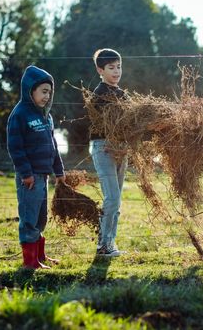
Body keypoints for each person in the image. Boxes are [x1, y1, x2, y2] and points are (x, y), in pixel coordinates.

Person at [67, 48, 128, 257]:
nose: (116, 71)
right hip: (103, 147)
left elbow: (128, 122)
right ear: (100, 70)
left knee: (117, 199)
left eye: (119, 66)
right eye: (111, 67)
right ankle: (103, 245)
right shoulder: (99, 95)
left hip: (121, 148)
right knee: (112, 198)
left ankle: (111, 242)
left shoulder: (123, 94)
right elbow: (102, 125)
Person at [7, 65, 65, 269]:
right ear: (30, 90)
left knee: (41, 218)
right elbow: (15, 147)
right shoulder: (20, 114)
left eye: (49, 92)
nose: (47, 96)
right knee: (29, 218)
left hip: (44, 176)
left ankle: (40, 256)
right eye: (43, 91)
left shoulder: (46, 116)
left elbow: (53, 146)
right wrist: (26, 173)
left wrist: (59, 170)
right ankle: (29, 262)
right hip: (29, 178)